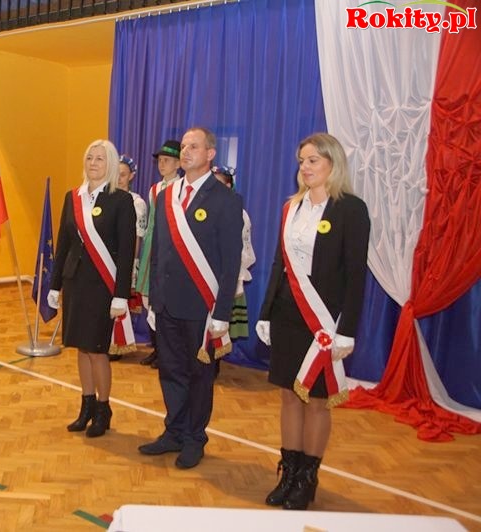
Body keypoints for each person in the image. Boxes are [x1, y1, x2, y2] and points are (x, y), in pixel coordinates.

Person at [256, 133, 370, 511]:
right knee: (290, 395)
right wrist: (266, 313)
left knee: (317, 401)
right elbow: (279, 264)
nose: (304, 167)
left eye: (312, 160)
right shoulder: (292, 207)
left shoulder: (350, 209)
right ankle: (288, 472)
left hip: (324, 323)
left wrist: (347, 330)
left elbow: (356, 275)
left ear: (332, 164)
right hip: (287, 316)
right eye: (302, 160)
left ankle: (307, 478)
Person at [139, 127, 243, 470]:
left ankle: (195, 438)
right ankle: (174, 431)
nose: (185, 152)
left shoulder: (225, 199)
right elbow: (158, 251)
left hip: (202, 306)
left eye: (193, 146)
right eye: (184, 146)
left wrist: (222, 313)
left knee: (199, 375)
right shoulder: (167, 195)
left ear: (210, 154)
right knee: (170, 371)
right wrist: (153, 297)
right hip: (167, 303)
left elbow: (231, 262)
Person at [47, 139, 136, 438]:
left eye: (100, 158)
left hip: (103, 286)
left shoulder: (121, 201)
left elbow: (126, 252)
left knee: (97, 350)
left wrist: (121, 294)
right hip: (75, 283)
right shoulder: (72, 198)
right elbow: (63, 245)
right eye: (89, 157)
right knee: (80, 347)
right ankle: (85, 406)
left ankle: (102, 409)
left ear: (110, 164)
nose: (93, 163)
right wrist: (55, 285)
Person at [135, 139, 182, 368]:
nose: (162, 165)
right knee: (149, 299)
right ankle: (156, 348)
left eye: (167, 161)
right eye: (160, 161)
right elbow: (149, 224)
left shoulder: (181, 188)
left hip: (169, 251)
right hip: (151, 249)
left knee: (165, 302)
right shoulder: (154, 189)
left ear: (178, 164)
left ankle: (168, 352)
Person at [109, 154, 147, 361]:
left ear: (131, 176)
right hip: (106, 258)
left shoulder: (137, 203)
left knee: (120, 300)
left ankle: (119, 344)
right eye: (116, 174)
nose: (118, 178)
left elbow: (136, 237)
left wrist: (129, 263)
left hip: (124, 259)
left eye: (123, 174)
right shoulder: (106, 196)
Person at [213, 165, 255, 339]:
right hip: (207, 274)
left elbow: (243, 247)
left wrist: (235, 275)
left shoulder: (239, 213)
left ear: (228, 186)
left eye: (219, 184)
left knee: (220, 328)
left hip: (226, 276)